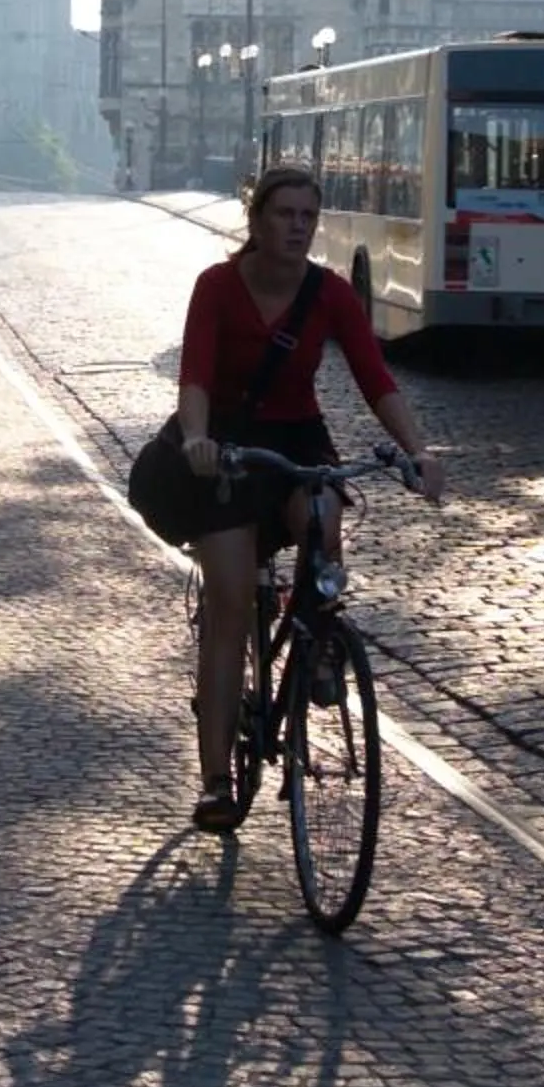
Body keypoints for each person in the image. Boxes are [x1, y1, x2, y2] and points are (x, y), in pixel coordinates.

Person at [173, 166, 444, 832]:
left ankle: (318, 640)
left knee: (323, 520)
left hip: (297, 436)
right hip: (228, 446)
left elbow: (375, 378)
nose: (297, 227)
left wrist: (418, 450)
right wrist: (197, 438)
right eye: (284, 214)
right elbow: (195, 375)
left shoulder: (330, 293)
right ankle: (216, 782)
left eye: (307, 216)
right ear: (257, 220)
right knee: (230, 605)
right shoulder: (217, 286)